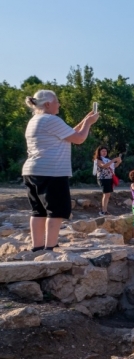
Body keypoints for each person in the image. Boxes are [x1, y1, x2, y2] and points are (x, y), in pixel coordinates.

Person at [22, 90, 98, 252]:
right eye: (57, 101)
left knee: (38, 211)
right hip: (51, 171)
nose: (59, 104)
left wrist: (84, 120)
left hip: (32, 170)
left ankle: (37, 247)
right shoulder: (51, 119)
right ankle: (50, 247)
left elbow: (69, 133)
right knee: (55, 211)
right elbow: (79, 139)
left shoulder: (36, 120)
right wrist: (89, 123)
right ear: (48, 104)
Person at [93, 145, 122, 216]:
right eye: (102, 151)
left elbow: (114, 166)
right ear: (99, 152)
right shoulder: (98, 160)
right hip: (103, 178)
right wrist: (113, 160)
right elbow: (104, 166)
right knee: (106, 194)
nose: (104, 152)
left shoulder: (107, 159)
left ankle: (105, 210)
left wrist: (118, 162)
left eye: (105, 151)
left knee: (108, 194)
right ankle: (103, 211)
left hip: (109, 178)